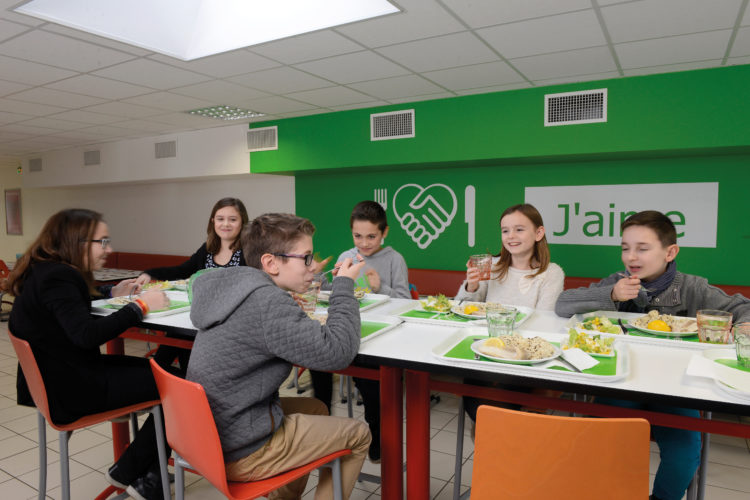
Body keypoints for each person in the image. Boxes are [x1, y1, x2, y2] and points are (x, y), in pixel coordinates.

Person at [555, 210, 750, 500]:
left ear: (670, 252)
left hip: (674, 390)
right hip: (620, 385)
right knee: (598, 442)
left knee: (684, 453)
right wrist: (611, 294)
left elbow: (742, 306)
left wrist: (745, 324)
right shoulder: (618, 282)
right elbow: (562, 304)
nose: (631, 257)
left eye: (642, 249)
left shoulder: (692, 287)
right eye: (625, 248)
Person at [186, 213, 371, 499]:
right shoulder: (266, 302)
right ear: (271, 263)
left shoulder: (237, 289)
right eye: (306, 258)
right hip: (241, 447)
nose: (312, 267)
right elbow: (337, 352)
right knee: (358, 434)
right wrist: (344, 286)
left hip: (207, 434)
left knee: (316, 408)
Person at [7, 208, 171, 500]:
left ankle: (138, 466)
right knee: (178, 385)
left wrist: (110, 293)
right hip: (74, 391)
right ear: (77, 243)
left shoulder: (45, 270)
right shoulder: (60, 277)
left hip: (56, 382)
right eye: (103, 242)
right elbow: (86, 335)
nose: (109, 249)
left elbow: (68, 306)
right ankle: (135, 472)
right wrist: (142, 306)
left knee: (160, 370)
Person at [311, 200, 410, 463]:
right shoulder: (347, 256)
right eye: (357, 236)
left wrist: (381, 288)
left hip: (378, 338)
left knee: (372, 390)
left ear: (384, 232)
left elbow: (405, 301)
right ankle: (322, 428)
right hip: (347, 329)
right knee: (317, 367)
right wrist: (318, 279)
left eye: (371, 236)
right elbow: (333, 293)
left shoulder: (394, 259)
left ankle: (376, 435)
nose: (364, 243)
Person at [456, 203, 565, 422]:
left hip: (522, 358)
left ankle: (493, 441)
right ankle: (494, 439)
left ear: (538, 233)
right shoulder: (492, 265)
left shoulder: (551, 273)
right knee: (479, 402)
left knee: (495, 408)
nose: (511, 236)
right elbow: (464, 307)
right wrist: (471, 286)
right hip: (484, 350)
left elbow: (543, 323)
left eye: (519, 229)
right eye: (505, 230)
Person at [134, 197, 249, 374]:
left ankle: (160, 379)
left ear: (242, 222)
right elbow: (182, 270)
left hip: (230, 322)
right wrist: (151, 273)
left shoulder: (249, 250)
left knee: (180, 341)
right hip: (201, 318)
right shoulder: (207, 249)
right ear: (213, 221)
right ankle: (163, 381)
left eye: (232, 219)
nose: (226, 224)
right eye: (220, 219)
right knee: (178, 339)